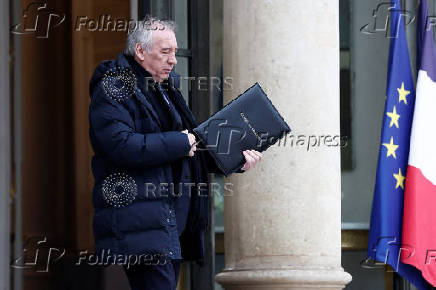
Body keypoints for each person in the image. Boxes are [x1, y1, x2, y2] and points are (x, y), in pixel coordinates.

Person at [88, 17, 262, 290]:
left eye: (175, 52)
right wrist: (181, 142)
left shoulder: (165, 89)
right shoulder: (114, 87)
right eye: (165, 52)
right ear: (141, 51)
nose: (173, 60)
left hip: (168, 222)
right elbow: (122, 146)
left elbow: (190, 148)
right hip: (142, 222)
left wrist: (236, 159)